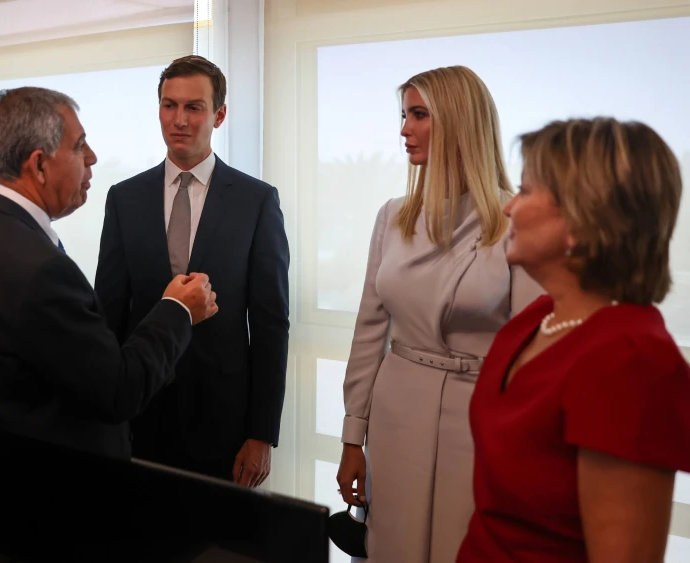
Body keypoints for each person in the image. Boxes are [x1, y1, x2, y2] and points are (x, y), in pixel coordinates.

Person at [0, 87, 219, 562]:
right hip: (40, 527)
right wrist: (177, 310)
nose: (93, 157)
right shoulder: (39, 269)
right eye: (80, 146)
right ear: (39, 165)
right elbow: (117, 390)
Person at [456, 117, 690, 563]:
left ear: (583, 218)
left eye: (525, 191)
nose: (509, 208)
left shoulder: (630, 361)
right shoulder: (533, 321)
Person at [334, 65, 543, 563]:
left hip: (478, 421)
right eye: (404, 115)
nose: (404, 129)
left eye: (419, 115)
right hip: (395, 413)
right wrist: (351, 436)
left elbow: (532, 352)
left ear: (458, 120)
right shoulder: (393, 215)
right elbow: (369, 331)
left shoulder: (514, 218)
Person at [94, 55, 290, 486]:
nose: (178, 119)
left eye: (193, 107)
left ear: (218, 115)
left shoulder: (256, 202)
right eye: (169, 105)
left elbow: (271, 323)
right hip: (139, 414)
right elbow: (108, 312)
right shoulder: (123, 198)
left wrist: (262, 435)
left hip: (223, 422)